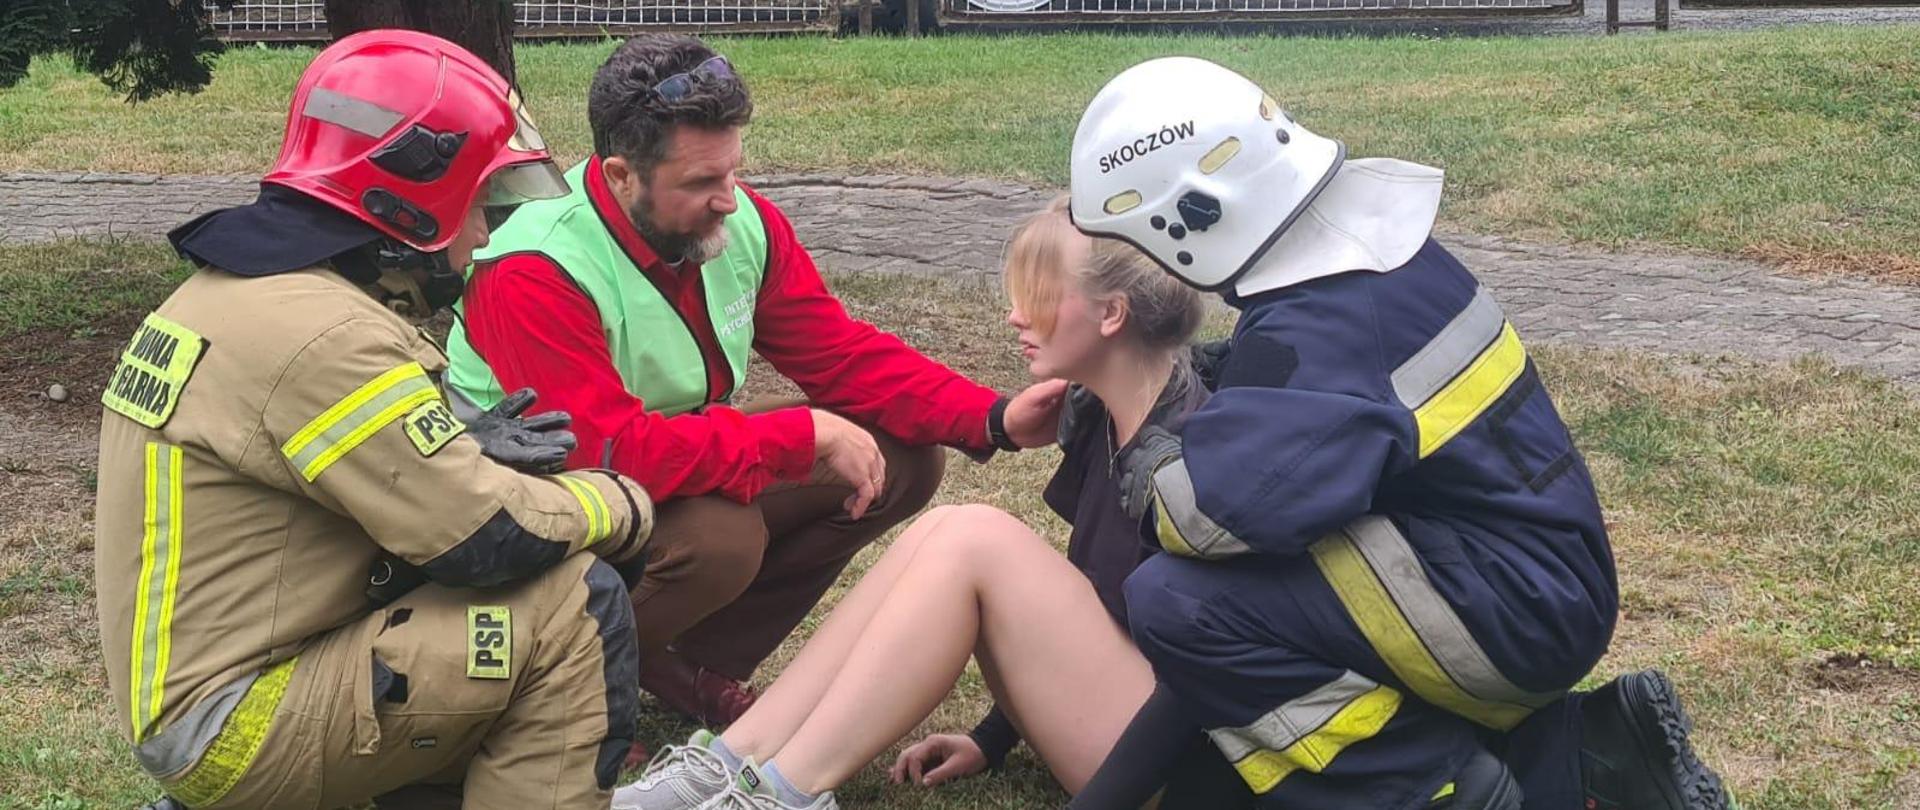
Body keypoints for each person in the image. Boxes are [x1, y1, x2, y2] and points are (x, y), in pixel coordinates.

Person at [1069, 56, 1731, 810]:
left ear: (1193, 215)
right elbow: (1332, 407)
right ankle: (1587, 755)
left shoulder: (1324, 314)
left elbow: (1210, 514)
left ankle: (1450, 793)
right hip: (1529, 583)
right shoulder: (1370, 259)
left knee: (1178, 601)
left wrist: (1152, 453)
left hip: (1509, 610)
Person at [99, 30, 654, 809]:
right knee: (573, 603)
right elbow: (485, 535)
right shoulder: (324, 335)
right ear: (409, 201)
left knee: (476, 622)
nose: (485, 236)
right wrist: (621, 504)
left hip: (221, 688)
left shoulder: (241, 295)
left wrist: (459, 443)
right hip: (239, 721)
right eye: (477, 206)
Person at [444, 33, 1063, 730]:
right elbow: (609, 455)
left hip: (645, 469)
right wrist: (798, 437)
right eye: (702, 183)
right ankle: (558, 690)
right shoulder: (536, 267)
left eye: (733, 171)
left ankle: (682, 662)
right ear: (621, 176)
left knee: (901, 463)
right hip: (527, 511)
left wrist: (992, 417)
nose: (730, 202)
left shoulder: (740, 223)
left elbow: (838, 354)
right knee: (719, 538)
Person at [609, 196, 1274, 810]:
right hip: (1128, 720)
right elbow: (1092, 606)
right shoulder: (1105, 416)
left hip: (1183, 769)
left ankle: (781, 792)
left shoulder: (1189, 457)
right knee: (950, 530)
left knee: (974, 537)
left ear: (1112, 314)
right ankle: (729, 763)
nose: (1016, 314)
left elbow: (1206, 672)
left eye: (1038, 295)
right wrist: (992, 737)